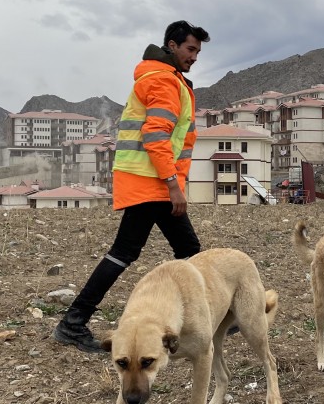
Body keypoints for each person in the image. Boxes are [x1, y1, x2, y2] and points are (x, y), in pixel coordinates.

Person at [53, 20, 209, 353]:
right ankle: (73, 322)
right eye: (190, 49)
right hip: (152, 182)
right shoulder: (164, 81)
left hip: (150, 181)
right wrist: (173, 184)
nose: (194, 56)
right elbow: (156, 137)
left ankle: (74, 321)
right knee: (144, 252)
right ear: (172, 45)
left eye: (197, 51)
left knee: (186, 251)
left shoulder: (165, 78)